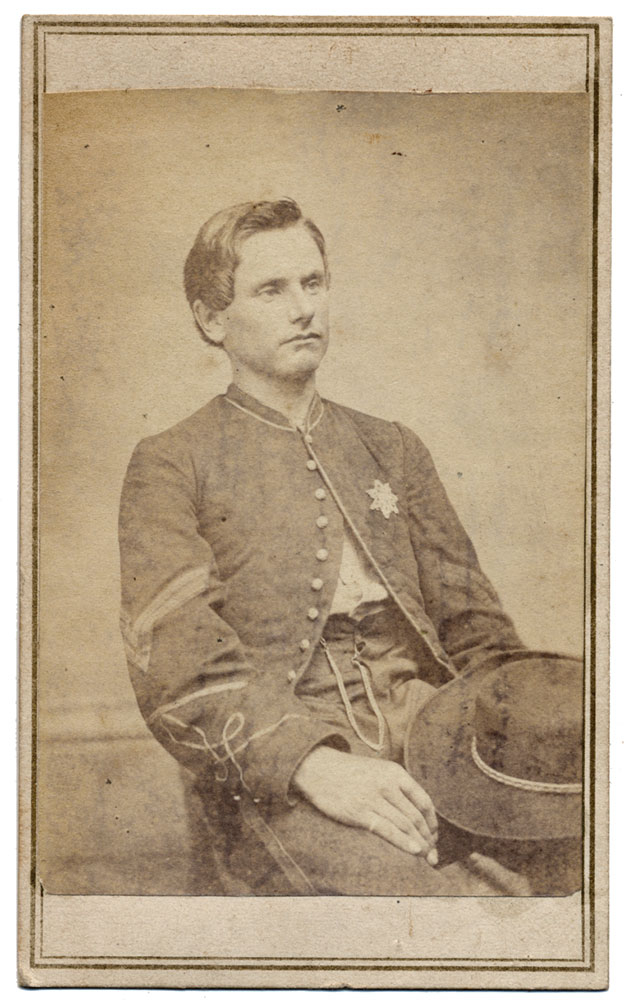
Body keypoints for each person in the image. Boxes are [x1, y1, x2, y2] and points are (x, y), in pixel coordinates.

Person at [118, 197, 581, 895]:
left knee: (588, 864)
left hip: (439, 742)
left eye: (312, 283)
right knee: (431, 909)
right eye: (270, 290)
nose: (302, 309)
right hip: (287, 770)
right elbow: (179, 669)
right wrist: (313, 765)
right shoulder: (171, 462)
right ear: (211, 319)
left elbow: (474, 628)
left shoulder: (390, 446)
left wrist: (520, 741)